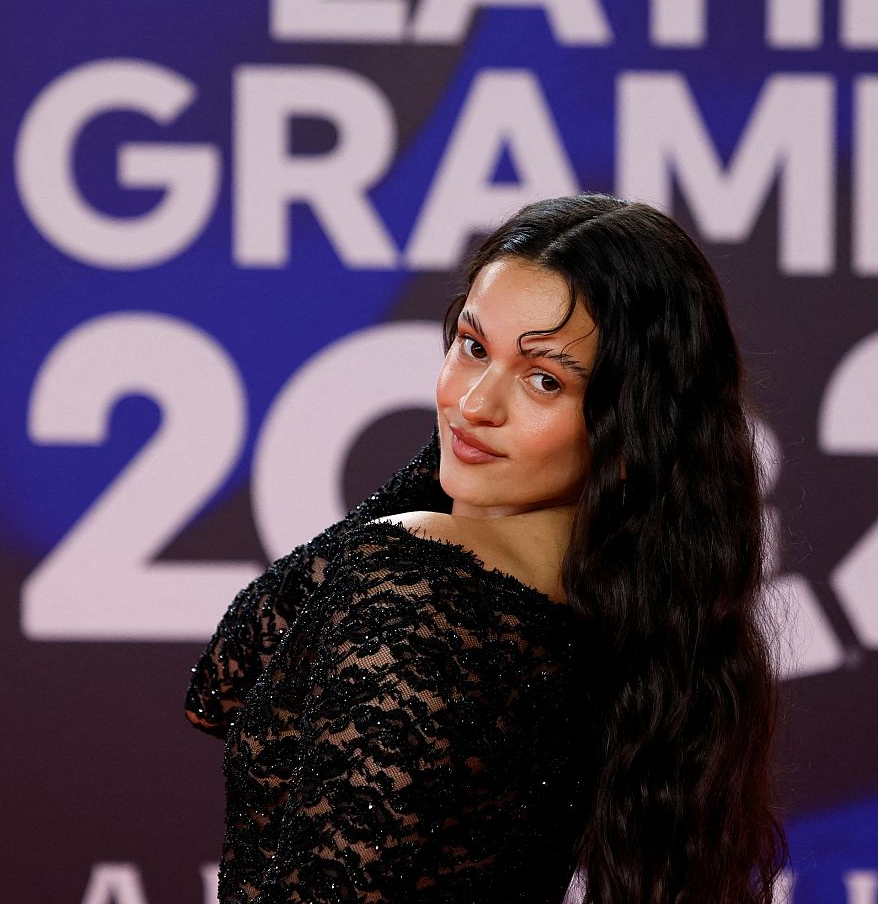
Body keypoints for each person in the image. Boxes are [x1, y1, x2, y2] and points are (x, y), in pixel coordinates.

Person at [186, 193, 789, 903]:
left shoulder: (414, 579)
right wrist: (464, 465)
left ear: (631, 432)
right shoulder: (626, 616)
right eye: (472, 347)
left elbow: (217, 688)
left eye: (544, 379)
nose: (475, 401)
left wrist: (448, 480)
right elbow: (224, 683)